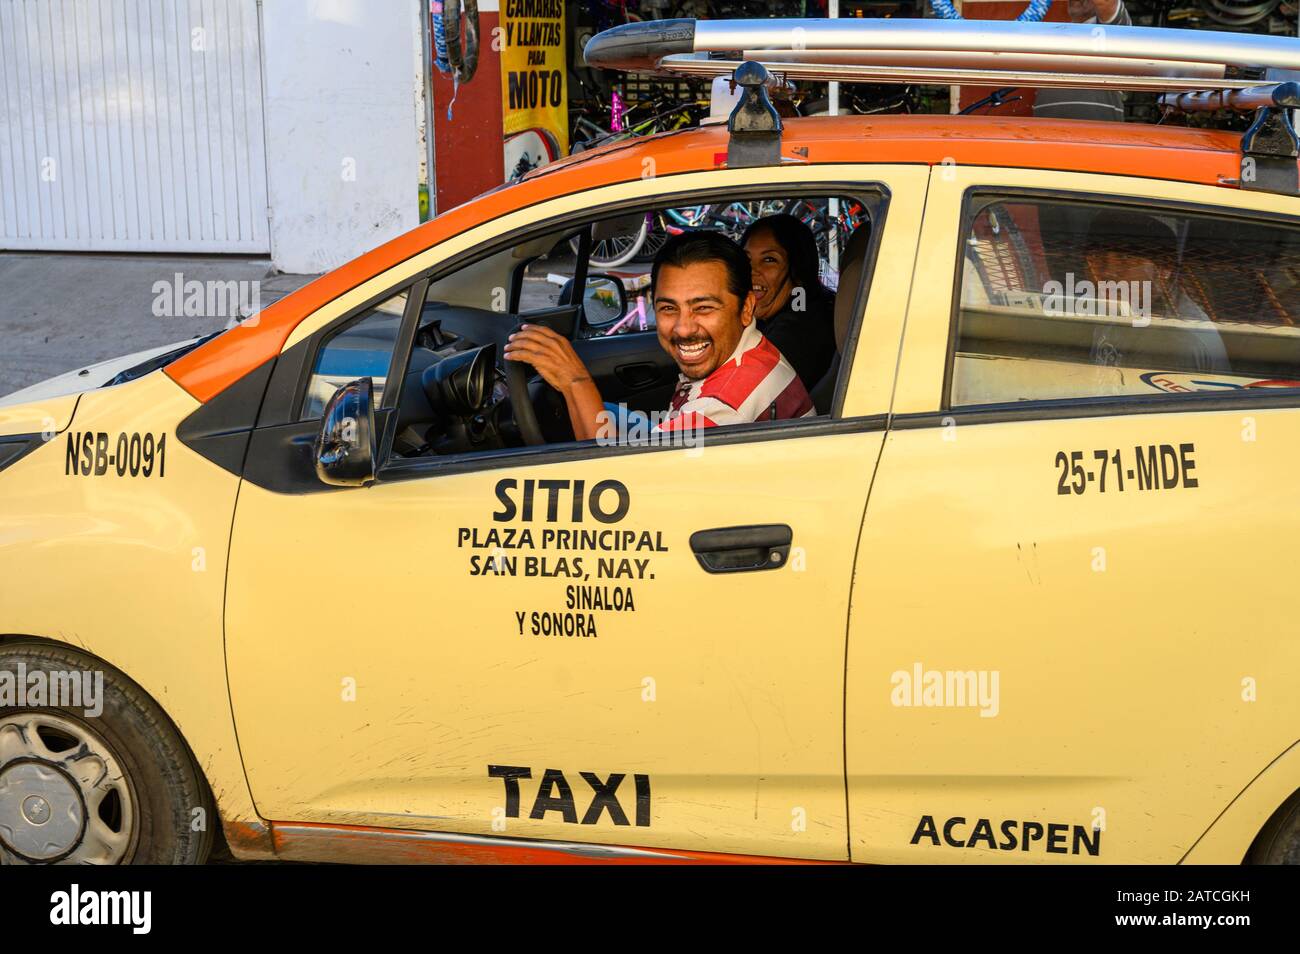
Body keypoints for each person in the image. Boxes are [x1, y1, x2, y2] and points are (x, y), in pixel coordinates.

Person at [503, 231, 814, 441]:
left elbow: (619, 487)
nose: (683, 328)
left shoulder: (723, 407)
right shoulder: (752, 349)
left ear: (746, 308)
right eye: (668, 308)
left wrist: (575, 382)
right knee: (610, 411)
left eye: (703, 308)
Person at [739, 214, 837, 390]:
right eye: (745, 260)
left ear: (797, 271)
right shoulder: (799, 306)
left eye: (769, 260)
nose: (750, 271)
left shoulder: (797, 330)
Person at [1033, 0, 1132, 123]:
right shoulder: (1055, 34)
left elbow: (1107, 3)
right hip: (1044, 135)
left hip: (1096, 136)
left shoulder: (1111, 29)